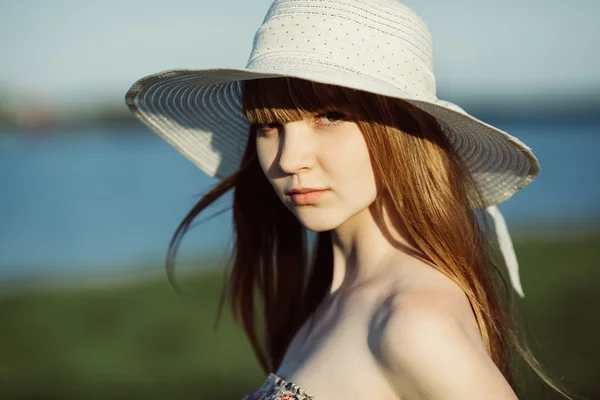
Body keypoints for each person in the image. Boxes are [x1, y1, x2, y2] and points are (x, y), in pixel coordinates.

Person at [125, 1, 573, 399]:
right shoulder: (336, 295)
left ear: (402, 132)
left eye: (330, 116)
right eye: (268, 126)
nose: (289, 159)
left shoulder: (413, 325)